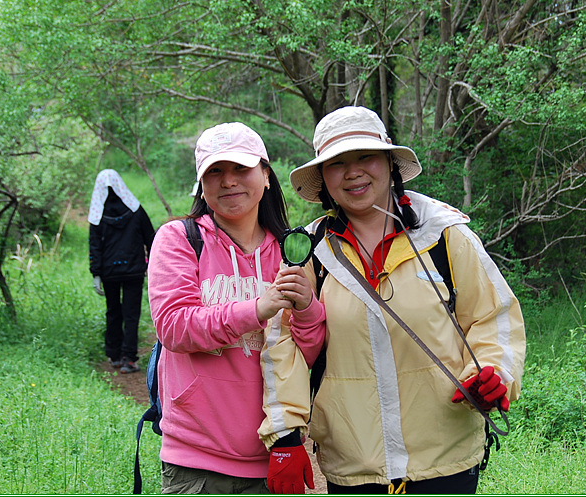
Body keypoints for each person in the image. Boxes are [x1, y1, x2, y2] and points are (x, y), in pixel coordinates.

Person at [288, 106, 526, 494]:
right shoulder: (309, 251)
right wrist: (286, 436)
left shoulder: (443, 235)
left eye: (365, 156)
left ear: (389, 163)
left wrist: (492, 374)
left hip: (444, 458)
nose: (353, 172)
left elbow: (493, 317)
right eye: (337, 163)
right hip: (353, 462)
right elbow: (287, 348)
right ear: (323, 179)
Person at [147, 122, 324, 494]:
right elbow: (174, 327)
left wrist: (308, 308)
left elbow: (307, 354)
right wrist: (256, 308)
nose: (228, 181)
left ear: (266, 175)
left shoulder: (291, 251)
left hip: (273, 454)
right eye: (215, 172)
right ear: (202, 183)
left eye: (240, 168)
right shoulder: (180, 239)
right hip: (195, 459)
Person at [88, 169, 155, 374]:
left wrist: (96, 273)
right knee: (131, 313)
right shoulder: (135, 209)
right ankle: (129, 358)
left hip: (109, 272)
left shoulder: (97, 214)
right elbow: (151, 238)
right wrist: (151, 265)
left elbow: (94, 245)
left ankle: (114, 354)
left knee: (113, 311)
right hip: (134, 270)